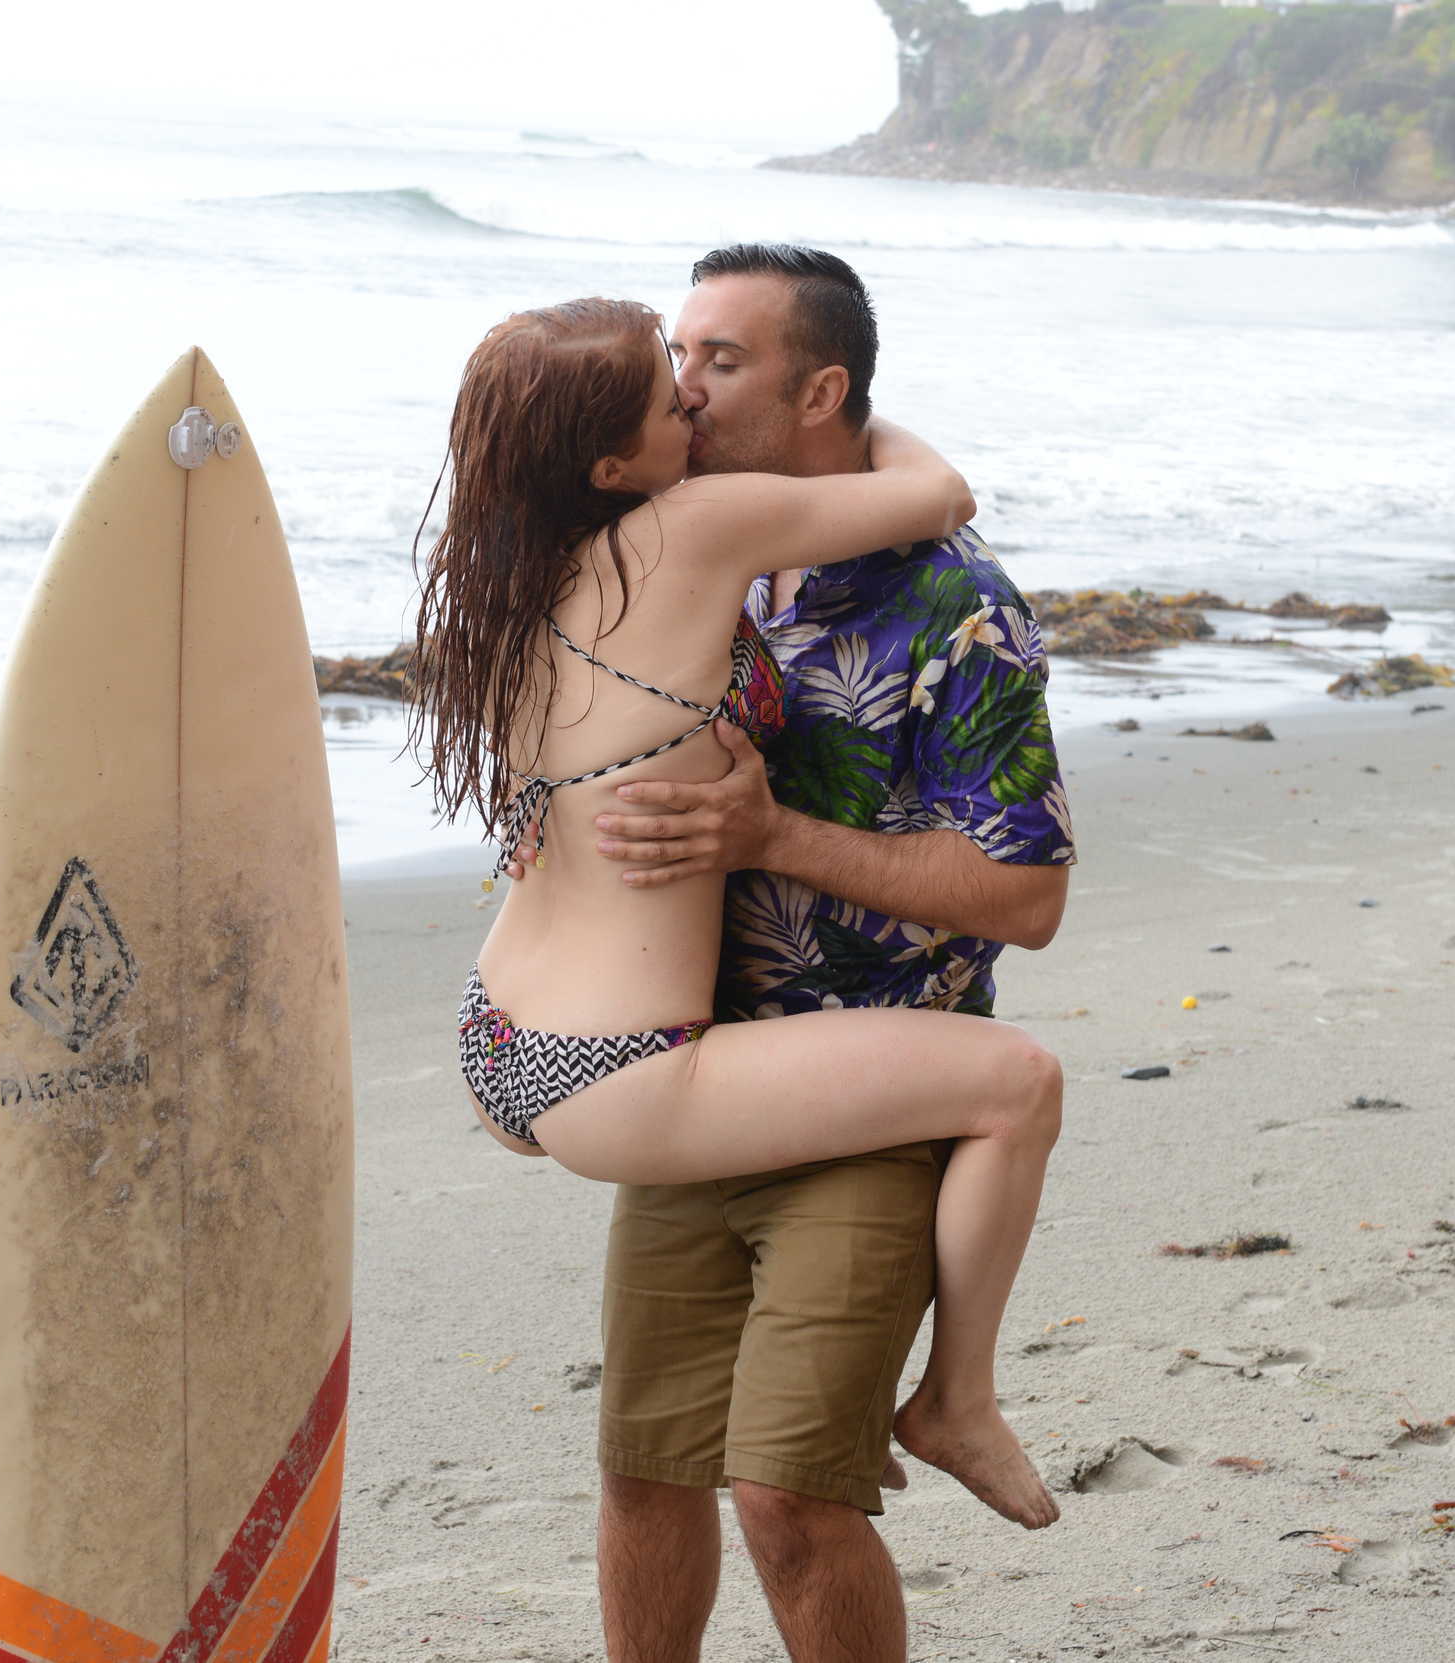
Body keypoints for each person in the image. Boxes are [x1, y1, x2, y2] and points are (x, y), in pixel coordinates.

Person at [409, 245, 1069, 1565]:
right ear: (615, 463)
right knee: (1020, 1083)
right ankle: (959, 1398)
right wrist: (859, 412)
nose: (691, 400)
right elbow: (940, 493)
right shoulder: (694, 530)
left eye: (711, 364)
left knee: (659, 1476)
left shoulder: (519, 576)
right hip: (624, 1068)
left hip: (499, 1032)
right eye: (671, 387)